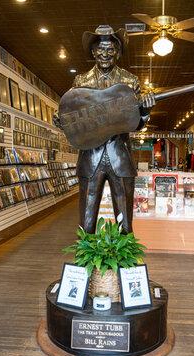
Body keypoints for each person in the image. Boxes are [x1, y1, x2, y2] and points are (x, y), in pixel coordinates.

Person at [53, 25, 154, 234]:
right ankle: (86, 261)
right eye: (101, 49)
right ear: (93, 52)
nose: (105, 54)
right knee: (86, 219)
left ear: (117, 52)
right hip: (90, 157)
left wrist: (144, 111)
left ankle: (126, 263)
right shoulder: (81, 81)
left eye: (110, 50)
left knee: (125, 221)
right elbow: (76, 117)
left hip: (120, 154)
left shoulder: (130, 81)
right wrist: (62, 121)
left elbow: (136, 124)